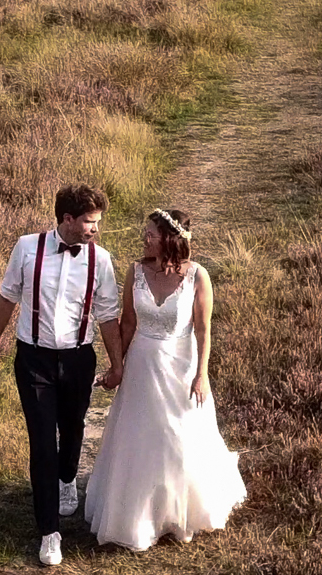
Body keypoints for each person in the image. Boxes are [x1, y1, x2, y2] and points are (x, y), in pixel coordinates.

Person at [85, 208, 247, 550]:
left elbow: (203, 330)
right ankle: (140, 514)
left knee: (177, 436)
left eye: (152, 234)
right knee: (140, 436)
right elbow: (127, 323)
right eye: (146, 233)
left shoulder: (198, 276)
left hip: (181, 366)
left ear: (171, 239)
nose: (145, 238)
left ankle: (178, 511)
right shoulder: (136, 272)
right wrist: (117, 366)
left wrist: (201, 375)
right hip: (143, 364)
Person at [0, 184, 124, 568]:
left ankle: (67, 480)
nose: (95, 228)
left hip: (78, 359)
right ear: (67, 219)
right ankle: (50, 532)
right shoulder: (27, 248)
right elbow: (6, 299)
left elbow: (108, 315)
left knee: (73, 427)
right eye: (90, 222)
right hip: (33, 361)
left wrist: (117, 364)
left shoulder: (102, 260)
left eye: (97, 222)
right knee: (42, 443)